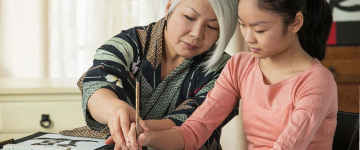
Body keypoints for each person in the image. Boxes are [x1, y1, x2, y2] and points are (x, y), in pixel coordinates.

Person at [136, 0, 338, 149]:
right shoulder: (240, 66)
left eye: (259, 30)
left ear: (295, 23)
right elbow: (194, 131)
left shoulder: (316, 82)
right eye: (242, 25)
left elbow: (287, 146)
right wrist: (146, 137)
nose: (248, 37)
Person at [75, 0, 239, 149]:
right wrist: (116, 110)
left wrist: (138, 131)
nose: (196, 33)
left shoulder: (227, 70)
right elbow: (97, 83)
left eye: (212, 27)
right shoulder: (130, 43)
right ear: (169, 9)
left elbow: (195, 122)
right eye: (189, 17)